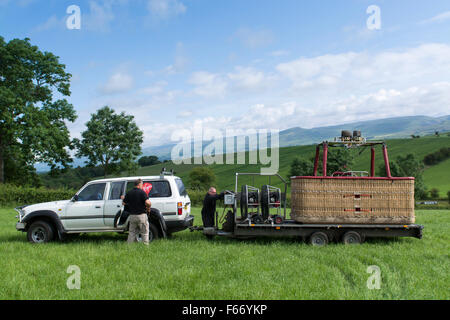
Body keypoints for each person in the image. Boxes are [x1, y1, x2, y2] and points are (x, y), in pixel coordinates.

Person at [122, 179, 152, 245]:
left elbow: (124, 203)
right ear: (139, 184)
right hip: (141, 216)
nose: (142, 186)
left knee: (131, 233)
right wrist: (149, 207)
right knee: (144, 232)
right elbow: (147, 202)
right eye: (142, 184)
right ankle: (146, 246)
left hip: (132, 216)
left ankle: (129, 247)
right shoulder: (142, 192)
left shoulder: (129, 192)